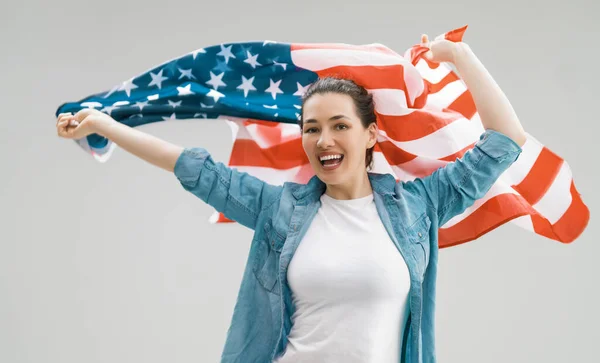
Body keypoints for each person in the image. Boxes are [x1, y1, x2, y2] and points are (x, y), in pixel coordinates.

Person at [56, 34, 527, 363]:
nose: (324, 140)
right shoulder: (278, 209)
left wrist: (459, 56)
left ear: (370, 135)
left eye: (340, 126)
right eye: (312, 128)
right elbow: (193, 168)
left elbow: (506, 140)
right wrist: (104, 124)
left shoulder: (418, 206)